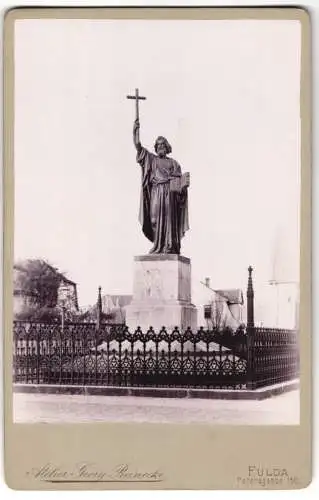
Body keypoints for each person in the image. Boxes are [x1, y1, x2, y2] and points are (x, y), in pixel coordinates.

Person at [133, 118, 189, 254]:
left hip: (169, 195)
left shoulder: (174, 163)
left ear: (166, 147)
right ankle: (157, 245)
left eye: (162, 145)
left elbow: (178, 183)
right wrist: (135, 131)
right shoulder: (151, 159)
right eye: (158, 146)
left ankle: (168, 246)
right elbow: (138, 146)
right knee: (154, 219)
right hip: (156, 192)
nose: (160, 148)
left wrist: (183, 186)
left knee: (169, 221)